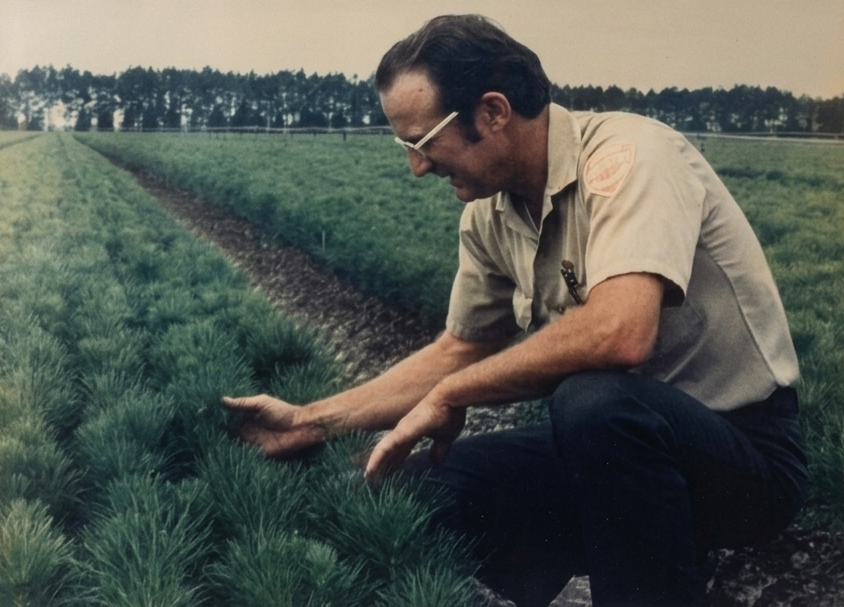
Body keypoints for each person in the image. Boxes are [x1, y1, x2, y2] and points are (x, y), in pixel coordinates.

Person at [223, 14, 808, 607]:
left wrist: (455, 395)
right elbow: (457, 350)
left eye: (423, 143)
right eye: (405, 146)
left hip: (741, 458)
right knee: (416, 490)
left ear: (493, 112)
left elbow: (620, 333)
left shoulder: (632, 156)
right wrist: (310, 421)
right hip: (607, 451)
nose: (417, 166)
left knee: (594, 402)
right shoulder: (488, 215)